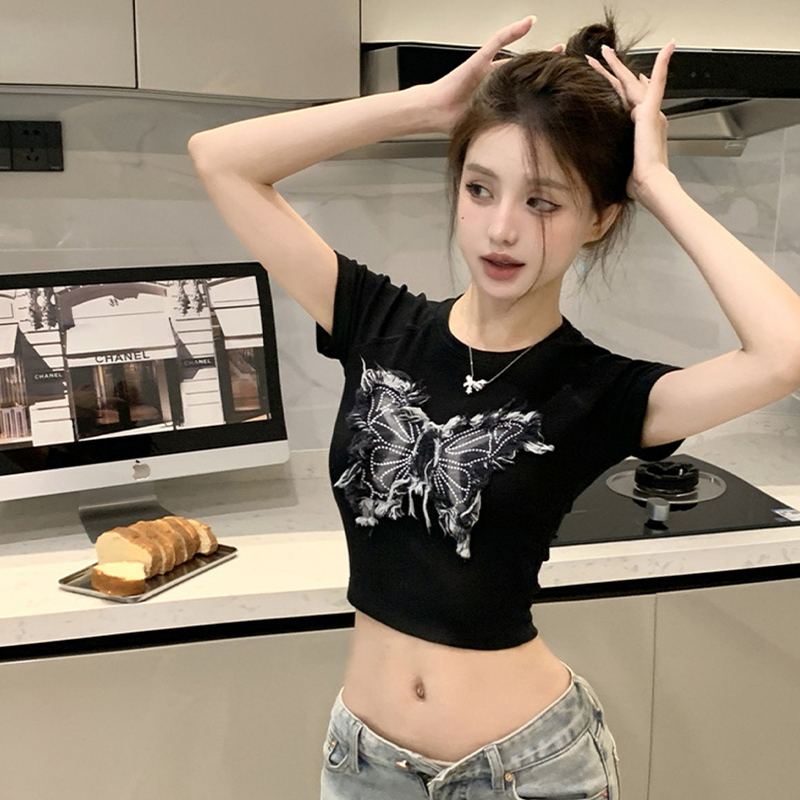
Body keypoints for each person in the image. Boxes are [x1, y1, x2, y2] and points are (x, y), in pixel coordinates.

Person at [188, 10, 800, 799]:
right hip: (365, 768)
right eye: (480, 189)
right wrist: (426, 106)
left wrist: (656, 181)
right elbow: (220, 160)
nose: (502, 228)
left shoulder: (598, 389)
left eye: (544, 202)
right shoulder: (376, 321)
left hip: (527, 772)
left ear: (599, 218)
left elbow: (785, 353)